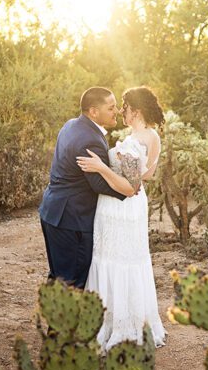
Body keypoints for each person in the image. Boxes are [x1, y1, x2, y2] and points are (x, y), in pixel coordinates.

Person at [76, 86, 166, 351]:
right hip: (118, 208)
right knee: (114, 259)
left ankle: (120, 325)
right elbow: (147, 175)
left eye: (124, 107)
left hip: (123, 207)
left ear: (135, 110)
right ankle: (116, 319)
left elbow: (132, 185)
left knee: (120, 261)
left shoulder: (142, 137)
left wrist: (102, 167)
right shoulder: (148, 135)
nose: (120, 112)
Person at [39, 87, 136, 288]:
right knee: (73, 280)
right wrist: (129, 188)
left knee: (59, 276)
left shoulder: (71, 125)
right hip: (71, 218)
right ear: (93, 111)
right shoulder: (89, 139)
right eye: (111, 107)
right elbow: (98, 184)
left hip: (53, 211)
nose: (117, 111)